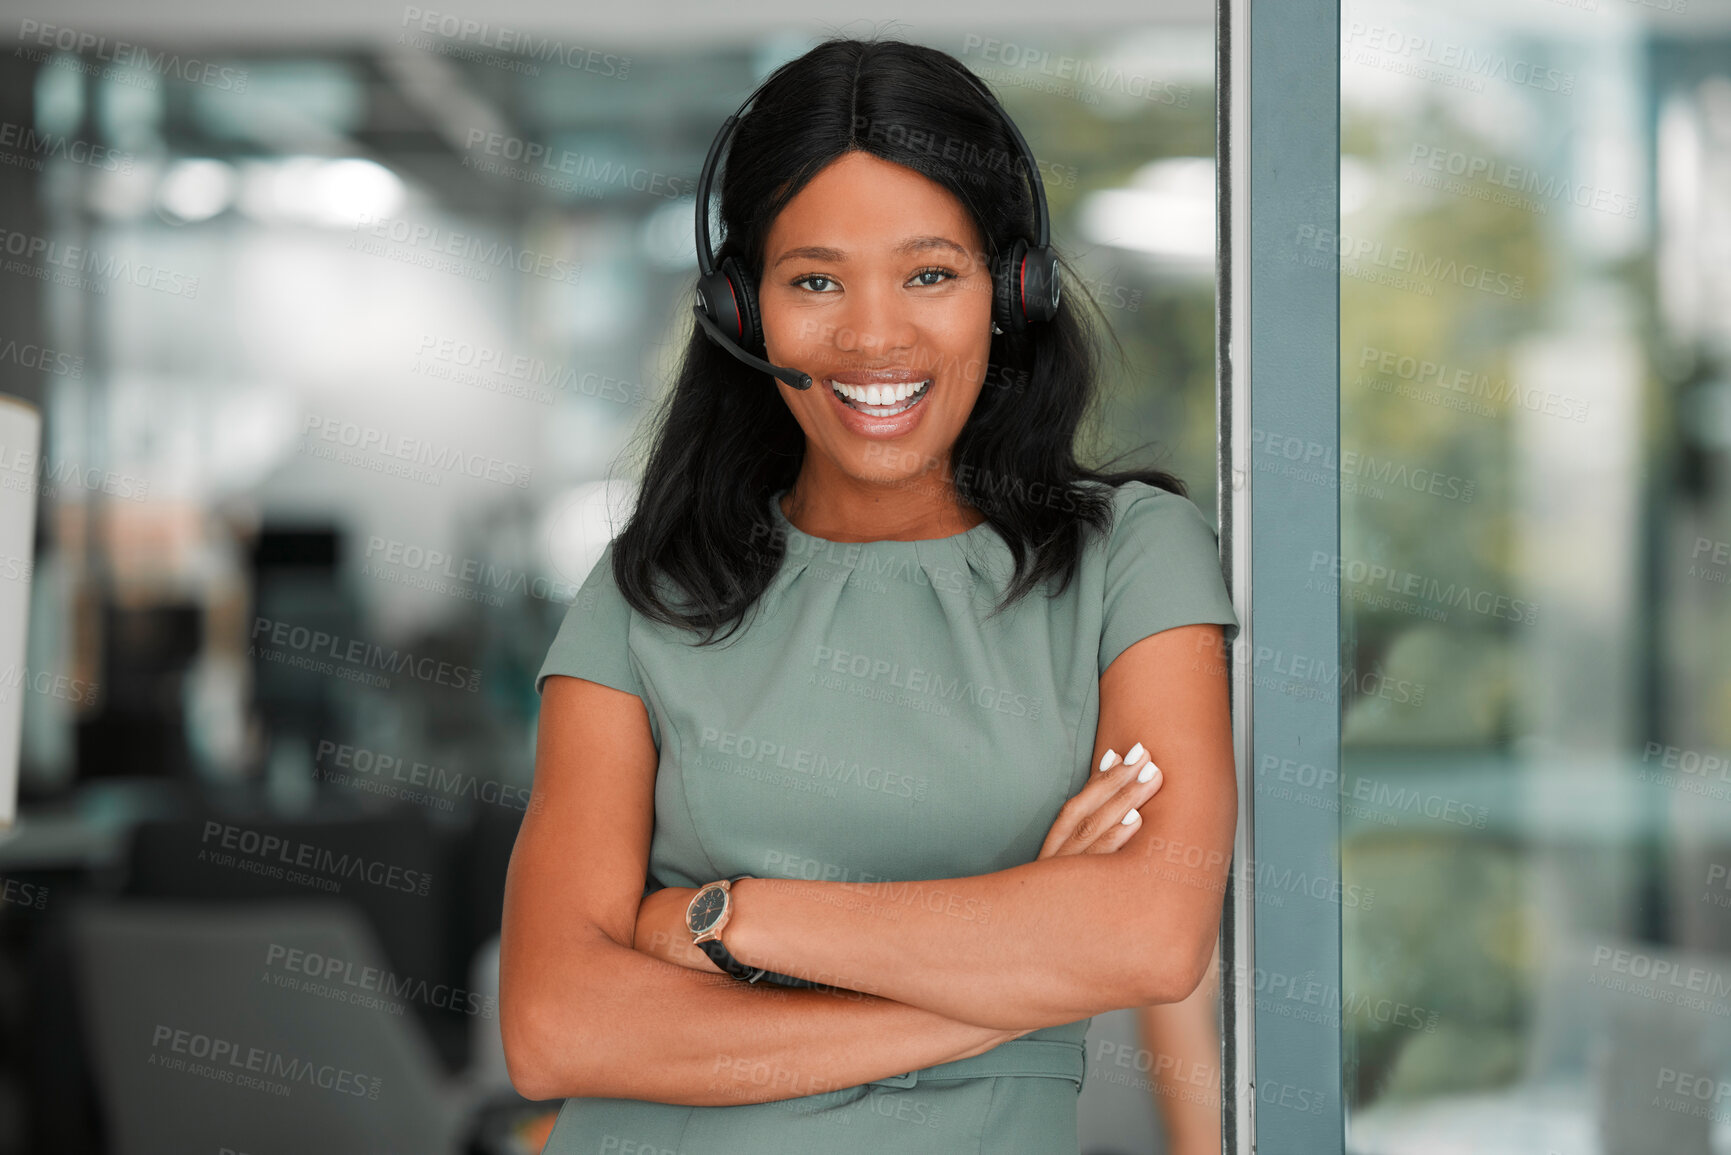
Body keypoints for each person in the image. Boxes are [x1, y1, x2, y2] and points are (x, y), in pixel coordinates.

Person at [500, 34, 1239, 1155]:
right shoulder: (647, 593)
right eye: (816, 281)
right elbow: (554, 1027)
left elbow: (1146, 933)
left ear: (1013, 289)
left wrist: (730, 920)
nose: (874, 335)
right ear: (744, 312)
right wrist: (1007, 976)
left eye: (930, 273)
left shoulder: (1134, 561)